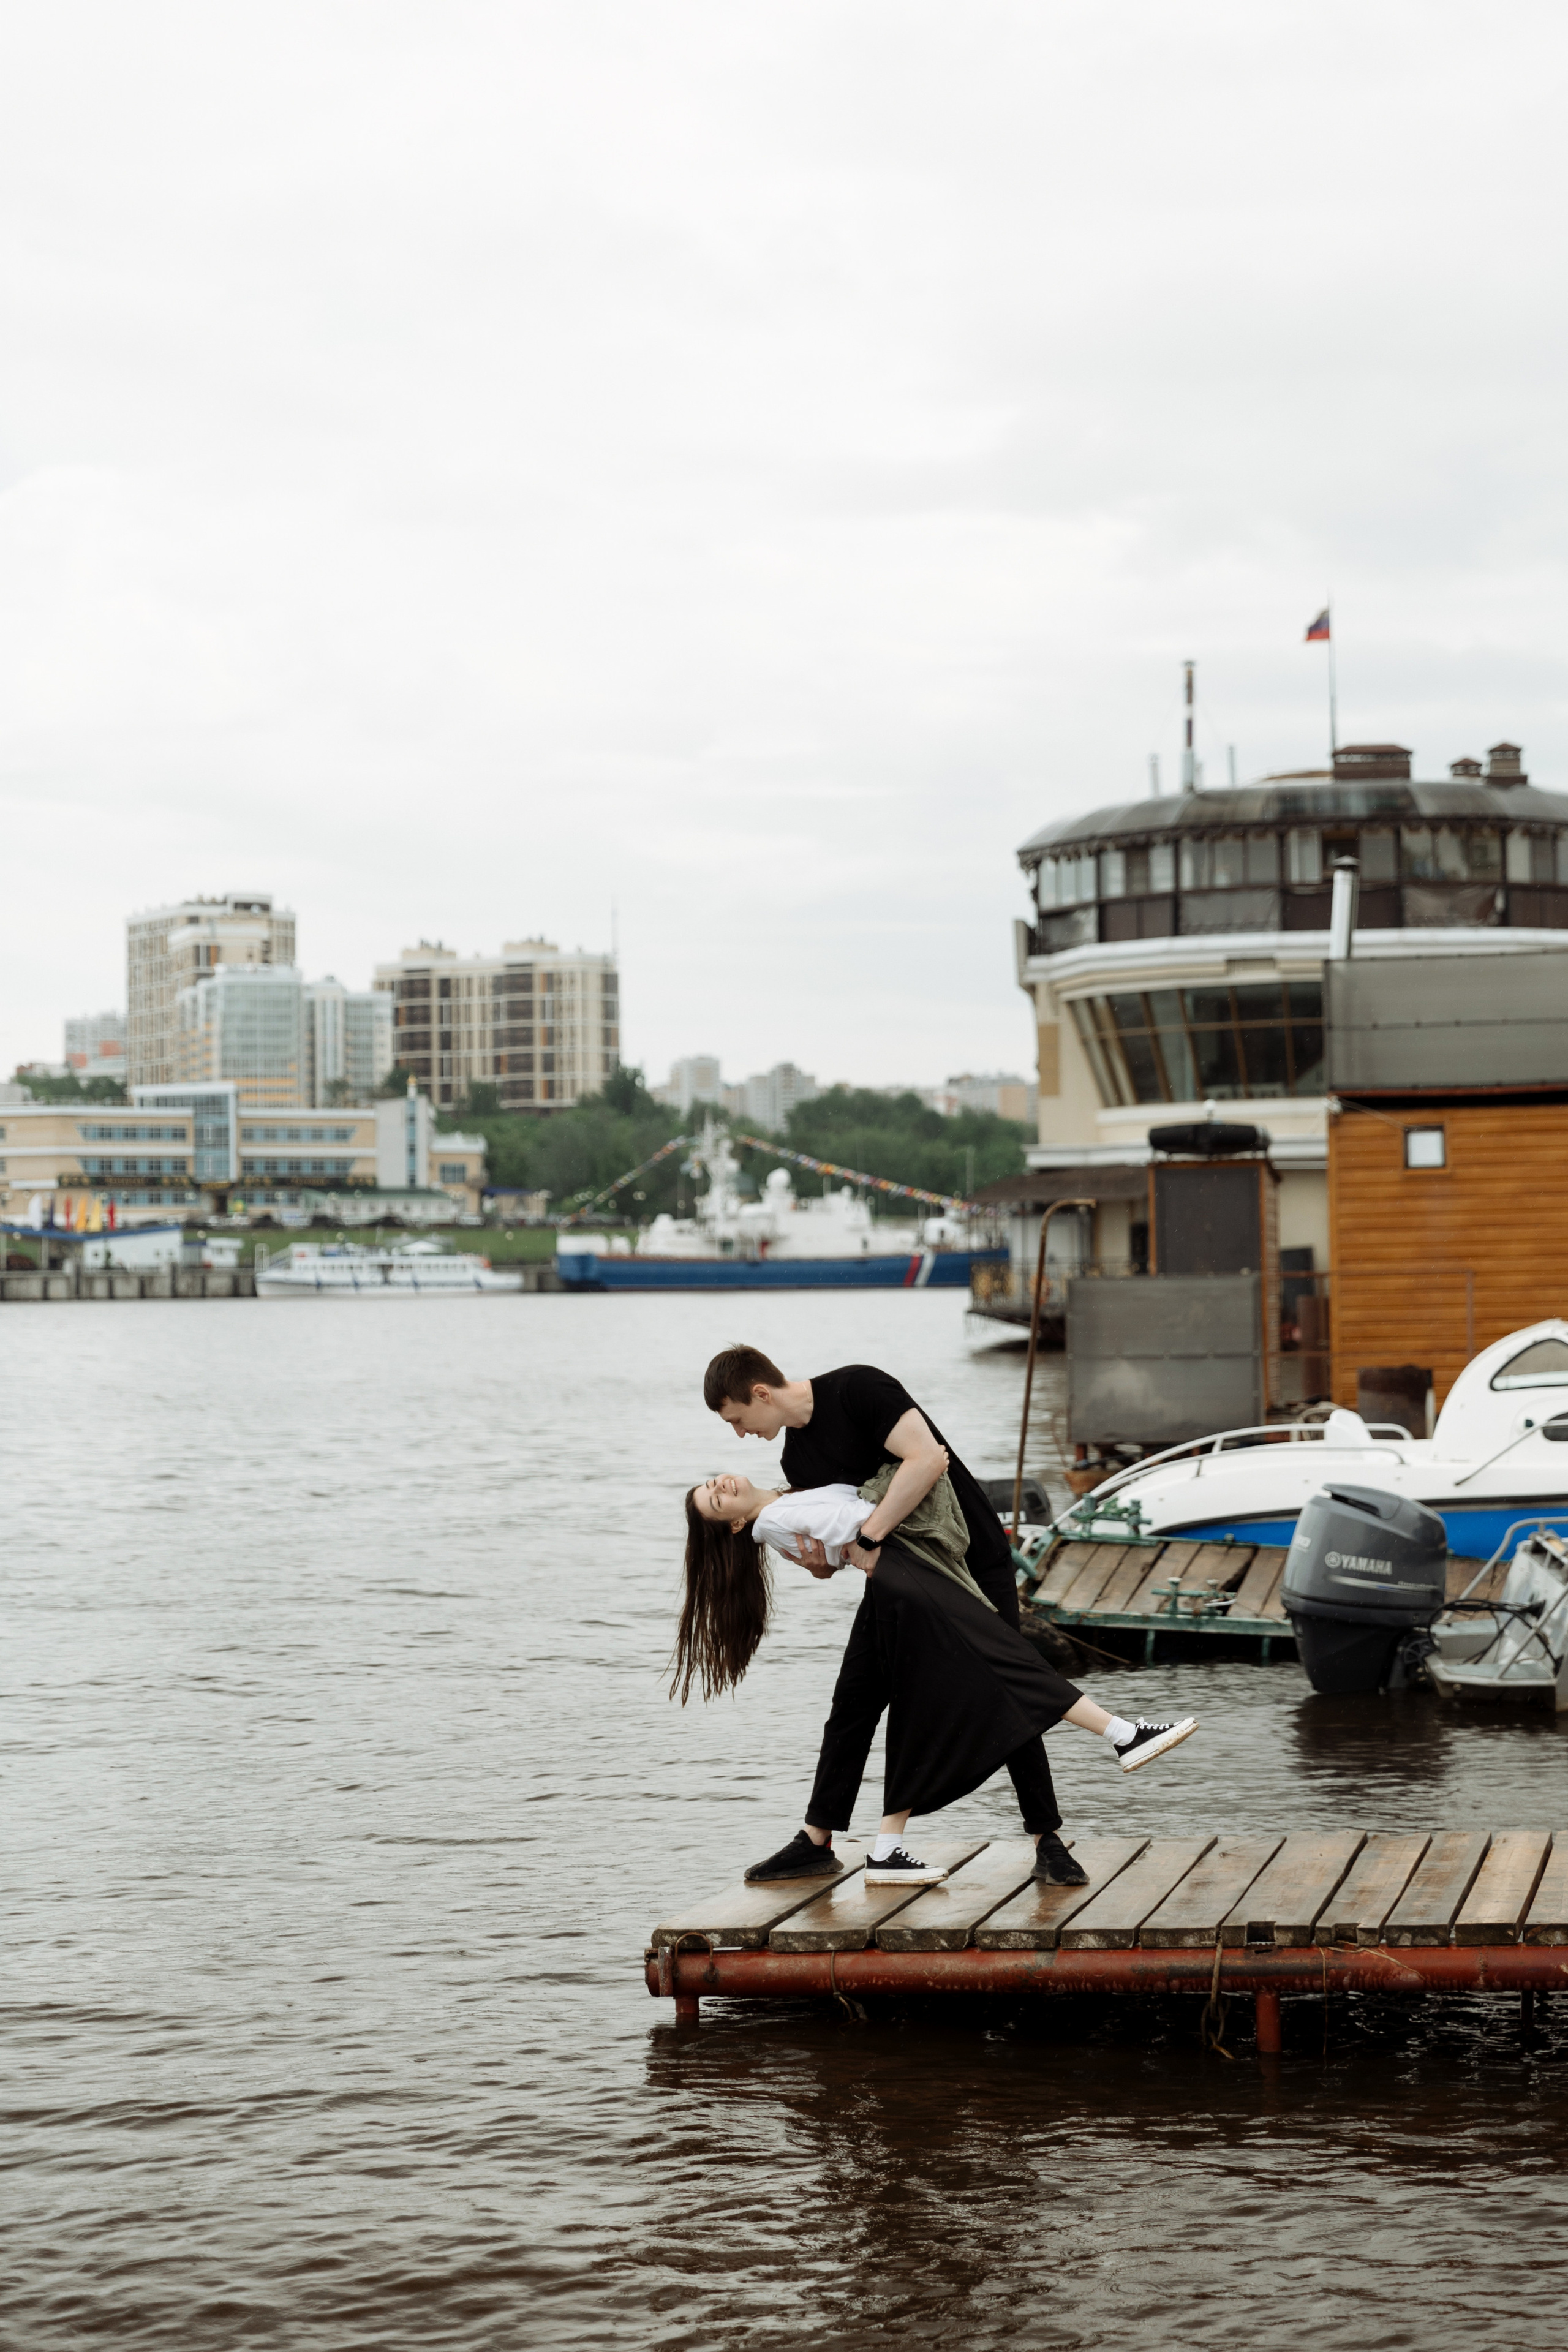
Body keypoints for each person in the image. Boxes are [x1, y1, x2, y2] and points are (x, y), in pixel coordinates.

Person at [695, 1346, 1197, 1885]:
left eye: (738, 1419)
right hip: (901, 1578)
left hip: (972, 1556)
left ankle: (1046, 1839)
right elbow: (835, 1545)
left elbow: (929, 1459)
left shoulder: (858, 1389)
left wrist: (867, 1538)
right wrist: (822, 1564)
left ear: (762, 1394)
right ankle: (818, 1840)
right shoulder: (798, 1463)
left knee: (1006, 1676)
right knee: (855, 1701)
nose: (740, 1434)